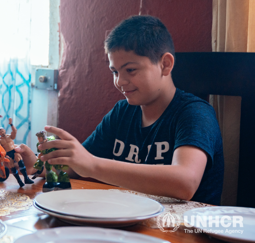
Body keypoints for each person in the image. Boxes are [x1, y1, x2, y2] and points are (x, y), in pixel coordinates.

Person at [16, 16, 224, 205]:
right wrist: (38, 165)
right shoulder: (122, 112)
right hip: (129, 222)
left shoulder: (194, 114)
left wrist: (93, 165)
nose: (120, 81)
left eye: (130, 70)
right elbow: (79, 165)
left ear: (165, 65)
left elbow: (184, 183)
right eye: (114, 71)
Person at [0, 118, 34, 187]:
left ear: (4, 131)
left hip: (14, 151)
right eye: (0, 132)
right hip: (8, 154)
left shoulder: (9, 136)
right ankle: (19, 181)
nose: (2, 132)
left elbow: (15, 131)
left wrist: (11, 124)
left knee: (20, 162)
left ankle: (26, 178)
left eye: (2, 131)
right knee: (12, 167)